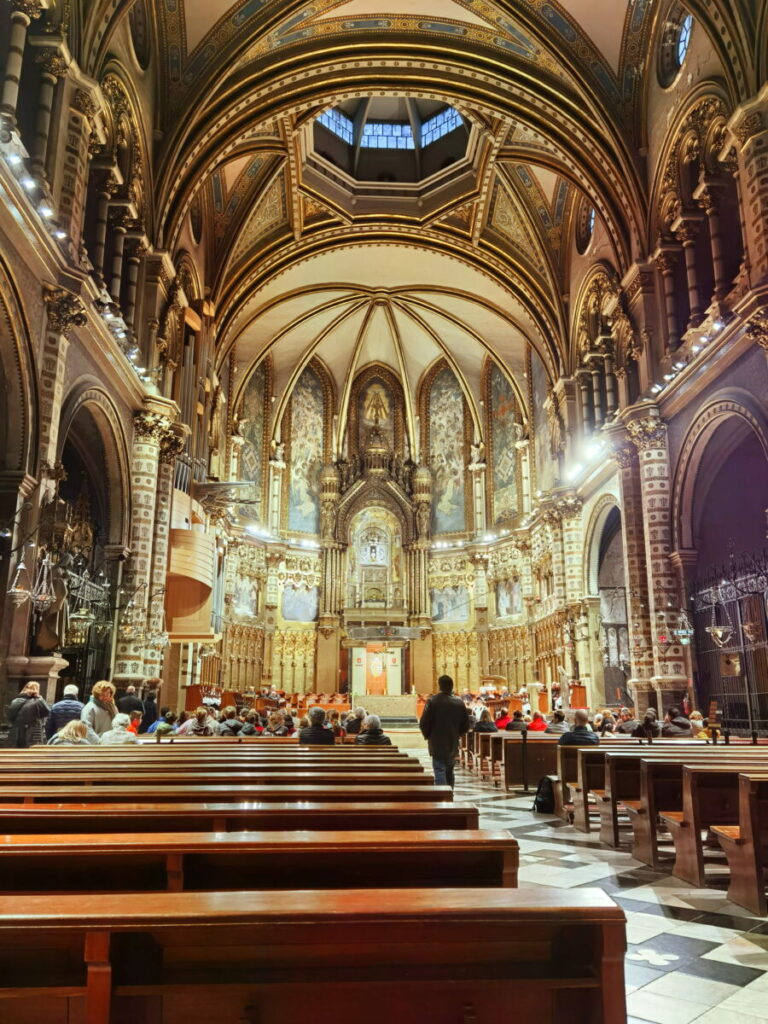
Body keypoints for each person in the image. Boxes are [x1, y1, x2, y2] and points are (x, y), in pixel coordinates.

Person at [419, 674, 470, 788]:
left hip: (436, 740)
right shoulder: (459, 702)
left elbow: (423, 722)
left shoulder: (432, 701)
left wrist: (428, 735)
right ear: (452, 686)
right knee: (449, 769)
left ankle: (443, 796)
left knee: (439, 768)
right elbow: (466, 724)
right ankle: (449, 794)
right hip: (452, 741)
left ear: (439, 686)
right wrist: (457, 734)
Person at [6, 682, 50, 748]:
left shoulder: (15, 701)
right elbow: (47, 712)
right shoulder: (38, 701)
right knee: (32, 754)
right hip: (34, 734)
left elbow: (9, 717)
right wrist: (40, 699)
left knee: (17, 753)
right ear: (37, 689)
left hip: (17, 734)